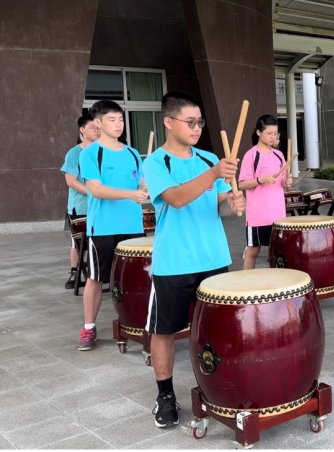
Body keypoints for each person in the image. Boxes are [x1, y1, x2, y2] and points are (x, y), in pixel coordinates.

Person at [143, 91, 244, 428]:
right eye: (191, 121)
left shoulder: (207, 158)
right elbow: (177, 198)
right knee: (165, 330)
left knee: (219, 330)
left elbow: (220, 208)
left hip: (213, 258)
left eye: (200, 121)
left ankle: (222, 387)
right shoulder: (156, 162)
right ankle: (165, 395)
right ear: (168, 122)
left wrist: (234, 204)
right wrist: (215, 174)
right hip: (173, 262)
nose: (197, 127)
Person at [77, 100, 148, 351]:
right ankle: (88, 328)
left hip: (133, 226)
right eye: (112, 120)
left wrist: (142, 190)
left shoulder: (131, 153)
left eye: (120, 119)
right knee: (96, 279)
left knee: (134, 280)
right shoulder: (90, 153)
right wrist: (130, 195)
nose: (118, 124)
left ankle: (137, 323)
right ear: (97, 123)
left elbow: (140, 185)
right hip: (103, 228)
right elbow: (95, 189)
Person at [238, 115, 291, 269]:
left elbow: (283, 183)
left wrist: (287, 183)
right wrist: (260, 180)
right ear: (258, 133)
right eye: (269, 133)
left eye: (276, 133)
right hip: (257, 215)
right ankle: (246, 287)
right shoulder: (251, 155)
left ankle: (276, 287)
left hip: (278, 215)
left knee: (278, 251)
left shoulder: (279, 155)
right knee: (253, 250)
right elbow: (242, 184)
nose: (273, 137)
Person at [61, 113, 100, 289]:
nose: (97, 131)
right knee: (78, 241)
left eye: (99, 128)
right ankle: (75, 272)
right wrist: (92, 192)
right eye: (93, 128)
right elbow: (70, 181)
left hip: (101, 205)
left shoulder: (102, 151)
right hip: (81, 207)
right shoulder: (75, 153)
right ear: (82, 130)